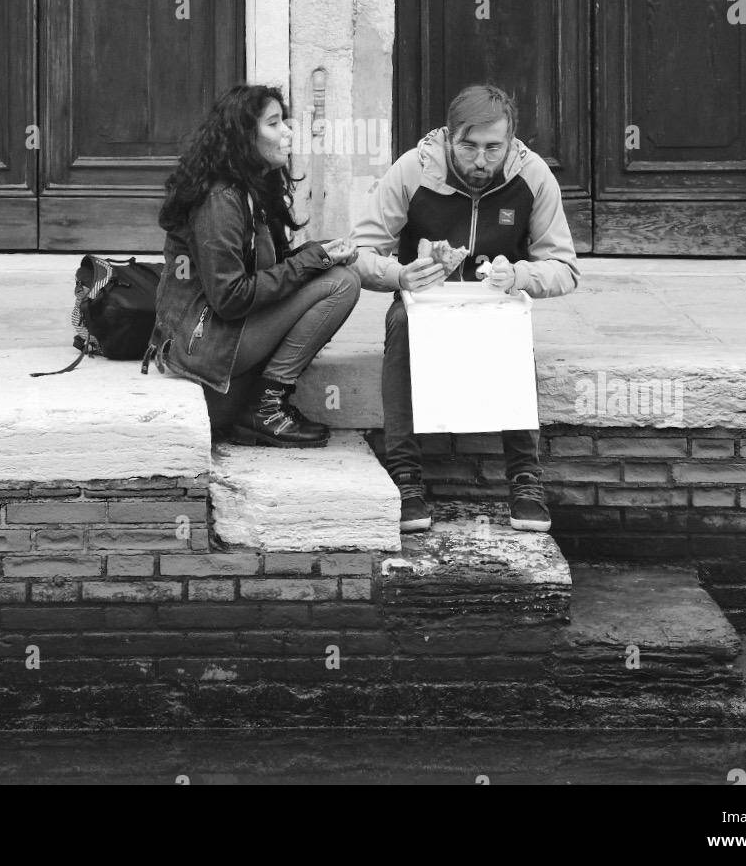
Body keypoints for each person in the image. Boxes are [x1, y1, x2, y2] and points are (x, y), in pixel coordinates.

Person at [351, 84, 580, 532]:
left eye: (493, 148)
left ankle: (525, 479)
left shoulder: (532, 176)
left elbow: (565, 268)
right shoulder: (412, 171)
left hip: (493, 301)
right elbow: (360, 251)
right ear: (448, 136)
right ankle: (406, 478)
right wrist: (400, 275)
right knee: (401, 320)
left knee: (515, 322)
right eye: (469, 146)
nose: (481, 160)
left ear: (511, 141)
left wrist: (519, 276)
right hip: (426, 303)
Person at [146, 84, 361, 447]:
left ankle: (262, 403)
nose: (288, 132)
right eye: (274, 124)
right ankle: (266, 406)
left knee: (334, 272)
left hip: (225, 330)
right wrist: (312, 262)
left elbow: (266, 271)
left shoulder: (252, 188)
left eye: (285, 122)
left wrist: (317, 253)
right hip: (202, 343)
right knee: (340, 283)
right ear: (245, 136)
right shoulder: (220, 200)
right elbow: (230, 297)